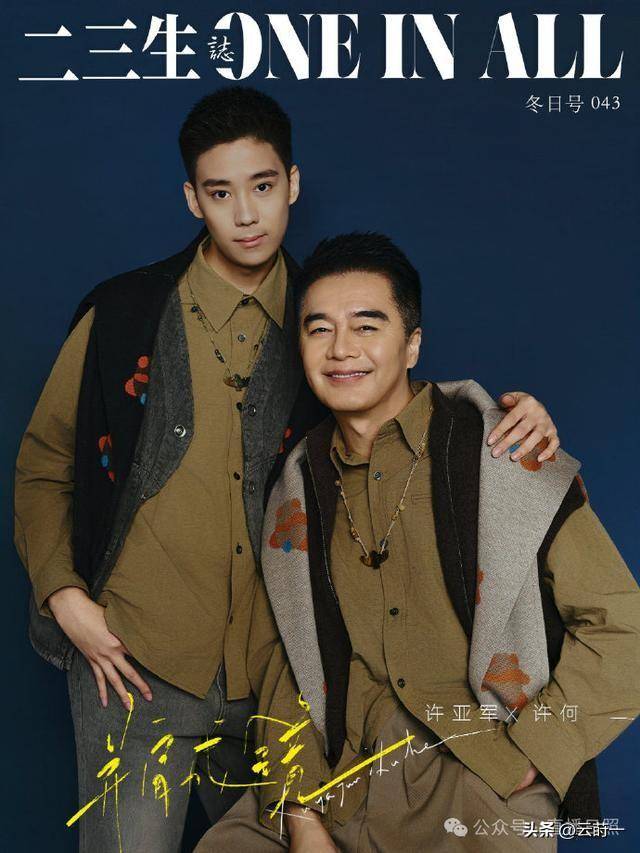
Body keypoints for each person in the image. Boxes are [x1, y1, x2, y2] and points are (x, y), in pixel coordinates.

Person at [14, 89, 561, 853]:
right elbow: (44, 461)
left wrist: (515, 418)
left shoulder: (323, 324)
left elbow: (396, 411)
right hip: (133, 664)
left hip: (281, 683)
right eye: (220, 192)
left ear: (293, 184)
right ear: (191, 198)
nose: (246, 214)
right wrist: (64, 596)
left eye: (263, 186)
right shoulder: (122, 313)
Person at [195, 233, 640, 853]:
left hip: (478, 778)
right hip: (335, 777)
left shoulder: (506, 454)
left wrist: (536, 753)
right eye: (320, 329)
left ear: (413, 345)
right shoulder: (294, 485)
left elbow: (624, 626)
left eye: (366, 326)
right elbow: (278, 658)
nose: (341, 349)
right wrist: (300, 813)